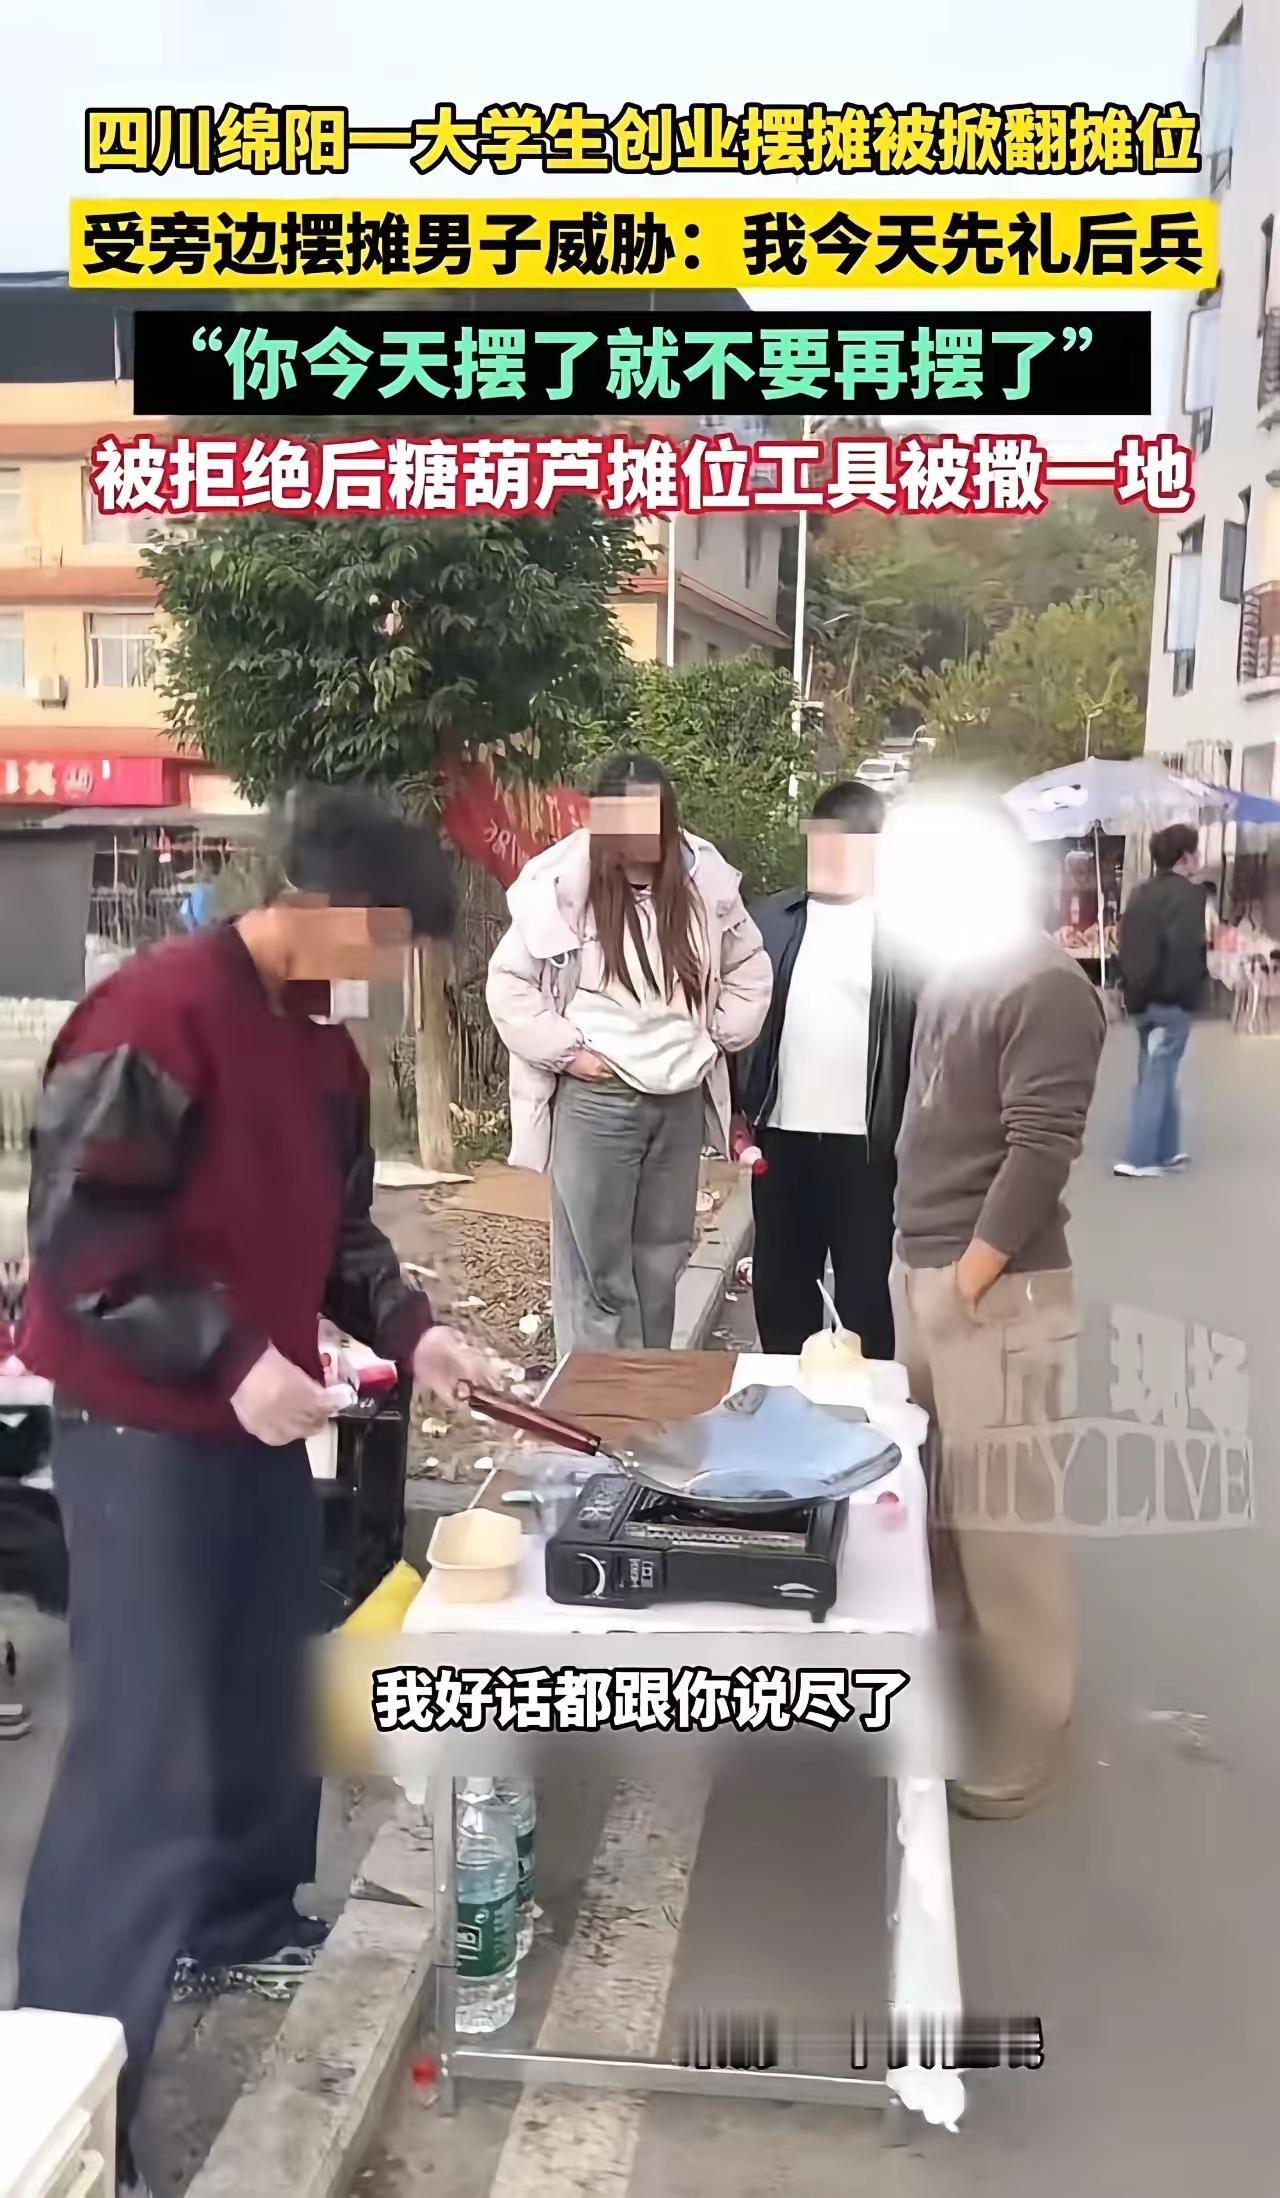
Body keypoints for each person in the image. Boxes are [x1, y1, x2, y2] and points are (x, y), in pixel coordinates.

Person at [16, 787, 506, 2198]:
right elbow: (81, 1242)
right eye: (388, 944)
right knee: (148, 1750)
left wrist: (414, 1330)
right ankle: (73, 2096)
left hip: (256, 1423)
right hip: (143, 1424)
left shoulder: (325, 1051)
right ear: (321, 906)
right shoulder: (154, 1017)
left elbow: (340, 1229)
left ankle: (240, 1916)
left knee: (268, 1681)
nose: (391, 977)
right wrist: (230, 1354)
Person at [888, 794, 1106, 1819]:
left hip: (995, 1290)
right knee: (940, 1518)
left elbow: (1039, 1149)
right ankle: (957, 1702)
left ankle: (1020, 1742)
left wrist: (964, 1284)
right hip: (926, 1273)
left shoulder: (1045, 984)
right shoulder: (954, 971)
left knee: (1003, 1531)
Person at [486, 752, 772, 1353]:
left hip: (678, 1099)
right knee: (599, 1274)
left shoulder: (704, 880)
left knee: (661, 1266)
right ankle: (597, 1403)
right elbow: (509, 985)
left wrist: (715, 1036)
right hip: (599, 1097)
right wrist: (568, 1054)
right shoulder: (562, 885)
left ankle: (647, 1395)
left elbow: (749, 964)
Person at [732, 780, 916, 1358]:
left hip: (869, 1149)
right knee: (781, 1297)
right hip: (782, 1142)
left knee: (866, 1303)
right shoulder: (771, 922)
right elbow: (734, 1016)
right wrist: (736, 1109)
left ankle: (866, 1408)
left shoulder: (907, 930)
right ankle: (786, 1402)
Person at [1114, 822, 1208, 1179]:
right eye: (1195, 851)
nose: (1198, 857)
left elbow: (1128, 943)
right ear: (1185, 857)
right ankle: (1139, 1158)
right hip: (1171, 999)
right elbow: (1185, 949)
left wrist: (1132, 992)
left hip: (1141, 999)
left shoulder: (1140, 894)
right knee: (1158, 1074)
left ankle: (1168, 1151)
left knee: (1159, 1070)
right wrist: (1191, 992)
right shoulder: (1189, 896)